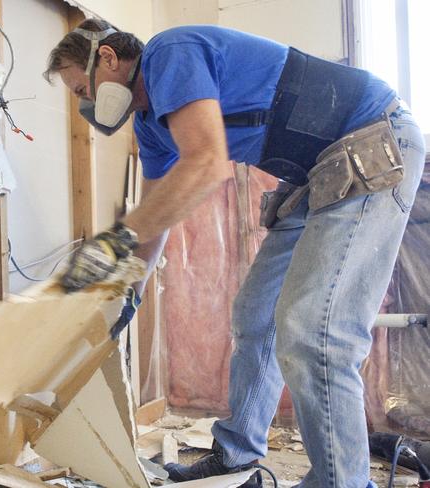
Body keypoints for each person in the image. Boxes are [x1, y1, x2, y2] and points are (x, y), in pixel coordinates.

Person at [44, 19, 426, 488]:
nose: (86, 103)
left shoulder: (169, 53)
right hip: (317, 170)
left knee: (314, 330)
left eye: (83, 88)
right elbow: (155, 220)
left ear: (106, 58)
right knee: (255, 314)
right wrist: (127, 296)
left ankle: (341, 482)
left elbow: (205, 164)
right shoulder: (150, 124)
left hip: (371, 136)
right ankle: (236, 455)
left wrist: (113, 242)